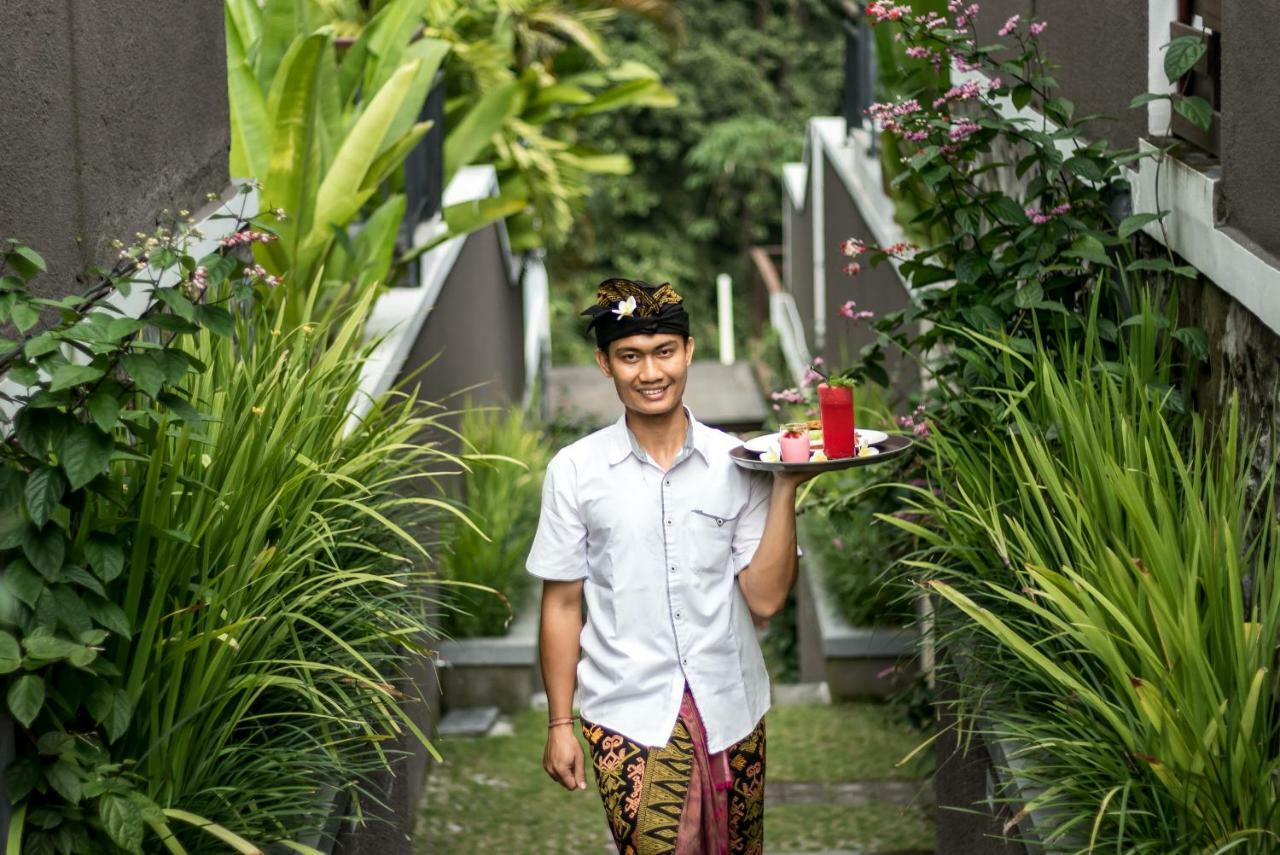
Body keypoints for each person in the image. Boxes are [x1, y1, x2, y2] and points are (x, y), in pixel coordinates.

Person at [527, 277, 817, 855]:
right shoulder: (576, 470)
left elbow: (764, 600)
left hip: (730, 708)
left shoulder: (738, 464)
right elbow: (561, 603)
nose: (650, 373)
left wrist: (784, 489)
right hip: (624, 711)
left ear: (688, 352)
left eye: (664, 352)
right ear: (605, 364)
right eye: (630, 356)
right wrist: (560, 725)